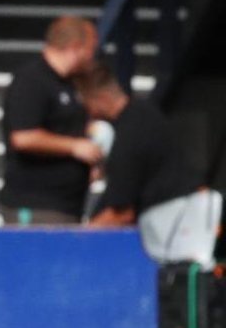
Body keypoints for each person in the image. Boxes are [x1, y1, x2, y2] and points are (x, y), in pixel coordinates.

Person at [79, 61, 220, 263]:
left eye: (87, 104)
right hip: (186, 214)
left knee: (176, 284)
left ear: (100, 99)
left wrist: (78, 239)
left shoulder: (129, 136)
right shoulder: (145, 114)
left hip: (175, 222)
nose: (88, 112)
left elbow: (121, 214)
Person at [0, 15, 101, 223]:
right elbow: (23, 137)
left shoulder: (70, 84)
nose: (92, 57)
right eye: (90, 49)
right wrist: (74, 147)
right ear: (75, 47)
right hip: (36, 205)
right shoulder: (32, 80)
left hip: (68, 205)